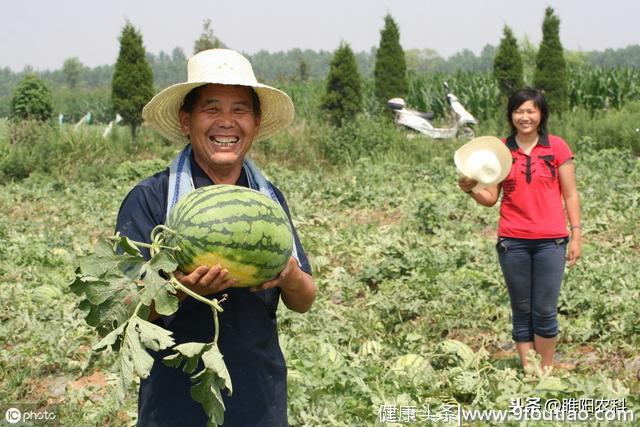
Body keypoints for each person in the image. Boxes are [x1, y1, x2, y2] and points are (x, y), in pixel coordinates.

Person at [115, 49, 317, 426]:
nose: (227, 123)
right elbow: (124, 308)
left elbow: (304, 299)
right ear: (186, 120)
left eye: (239, 110)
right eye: (212, 109)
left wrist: (288, 276)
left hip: (259, 401)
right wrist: (177, 290)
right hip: (173, 406)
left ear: (255, 123)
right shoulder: (151, 199)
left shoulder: (267, 200)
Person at [458, 88, 582, 371]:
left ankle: (546, 370)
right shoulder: (500, 151)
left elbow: (571, 194)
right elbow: (490, 199)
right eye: (519, 111)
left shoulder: (557, 147)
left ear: (541, 114)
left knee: (545, 310)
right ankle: (529, 369)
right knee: (522, 310)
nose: (525, 117)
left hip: (551, 242)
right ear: (511, 115)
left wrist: (577, 234)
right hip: (512, 242)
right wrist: (471, 189)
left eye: (531, 111)